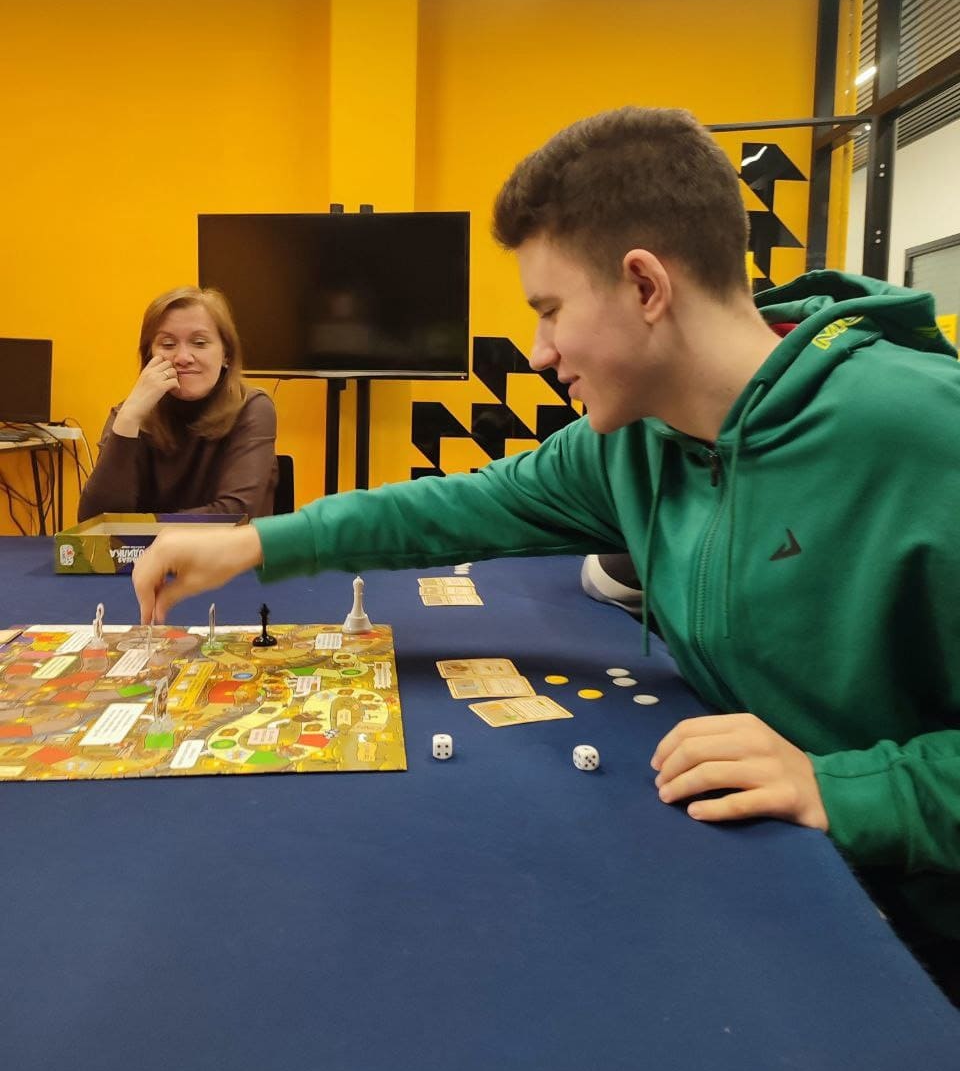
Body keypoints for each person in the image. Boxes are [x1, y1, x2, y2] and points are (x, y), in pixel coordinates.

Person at [131, 108, 960, 1003]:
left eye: (551, 311)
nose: (539, 352)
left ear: (645, 285)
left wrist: (842, 787)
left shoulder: (926, 431)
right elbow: (453, 509)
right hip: (790, 899)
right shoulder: (630, 441)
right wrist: (253, 541)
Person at [78, 285, 278, 520]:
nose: (183, 358)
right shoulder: (129, 414)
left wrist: (144, 528)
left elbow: (235, 514)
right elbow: (94, 523)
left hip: (219, 546)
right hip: (147, 546)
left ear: (226, 354)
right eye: (168, 344)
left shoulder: (252, 407)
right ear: (149, 357)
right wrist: (128, 420)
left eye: (200, 343)